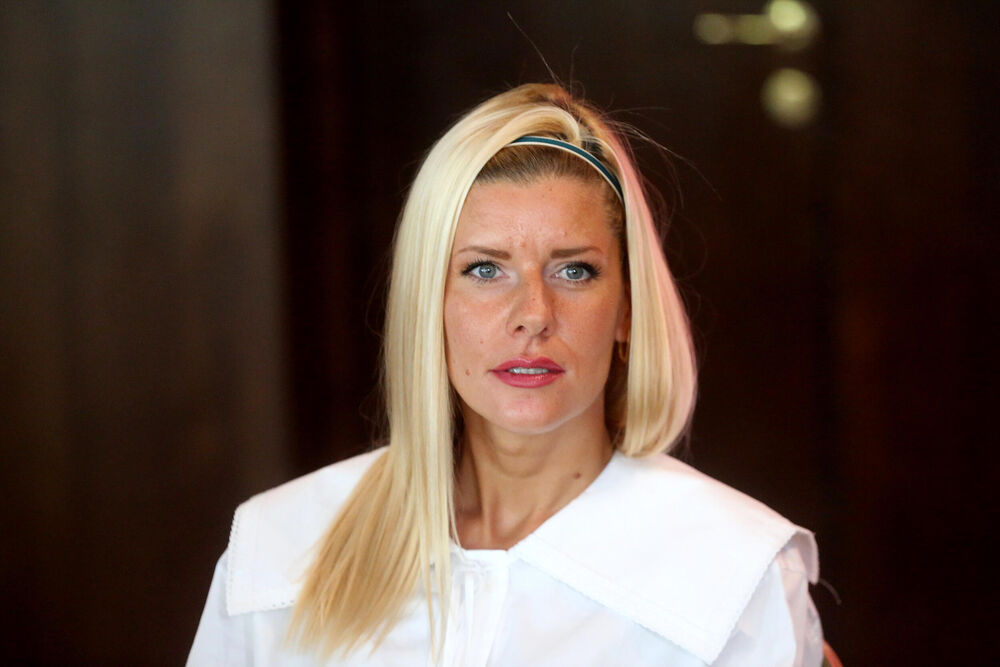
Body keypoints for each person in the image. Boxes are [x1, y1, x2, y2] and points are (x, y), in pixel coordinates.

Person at [187, 83, 823, 666]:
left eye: (574, 270)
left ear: (628, 308)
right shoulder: (280, 547)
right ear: (427, 304)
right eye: (485, 270)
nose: (533, 315)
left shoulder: (735, 571)